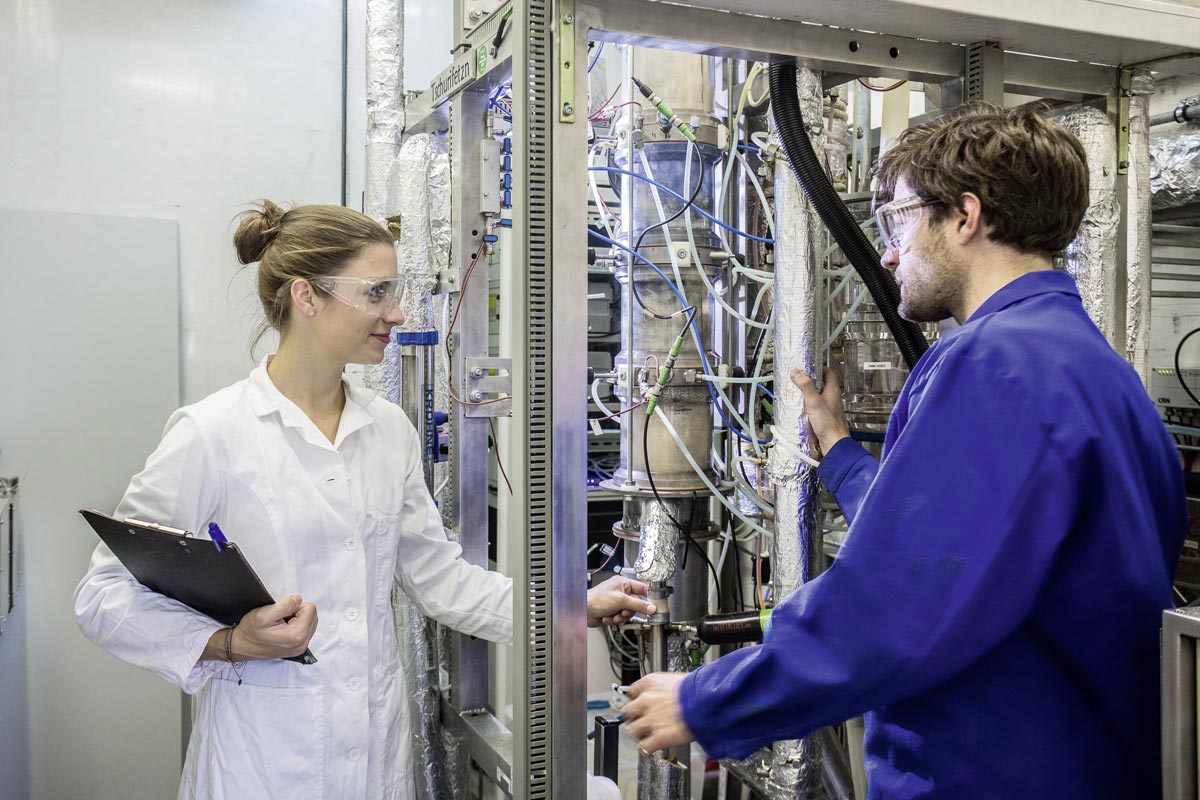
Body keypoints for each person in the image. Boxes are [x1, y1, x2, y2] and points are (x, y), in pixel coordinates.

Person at [623, 104, 1186, 798]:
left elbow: (896, 601)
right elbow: (962, 536)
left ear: (965, 217)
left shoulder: (994, 365)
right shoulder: (1095, 372)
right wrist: (837, 452)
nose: (888, 252)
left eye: (898, 220)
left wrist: (710, 698)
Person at [75, 201, 653, 800]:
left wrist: (569, 606)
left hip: (376, 758)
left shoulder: (387, 430)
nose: (397, 314)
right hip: (263, 762)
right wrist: (232, 643)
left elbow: (440, 582)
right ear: (307, 296)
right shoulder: (213, 433)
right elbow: (103, 597)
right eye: (376, 292)